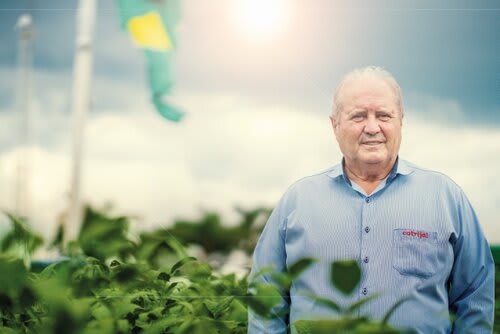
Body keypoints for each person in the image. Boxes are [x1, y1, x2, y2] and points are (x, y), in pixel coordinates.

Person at [248, 66, 494, 333]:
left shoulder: (446, 197)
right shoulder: (297, 201)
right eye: (358, 116)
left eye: (384, 115)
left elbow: (475, 296)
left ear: (401, 120)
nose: (372, 127)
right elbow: (266, 296)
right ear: (335, 125)